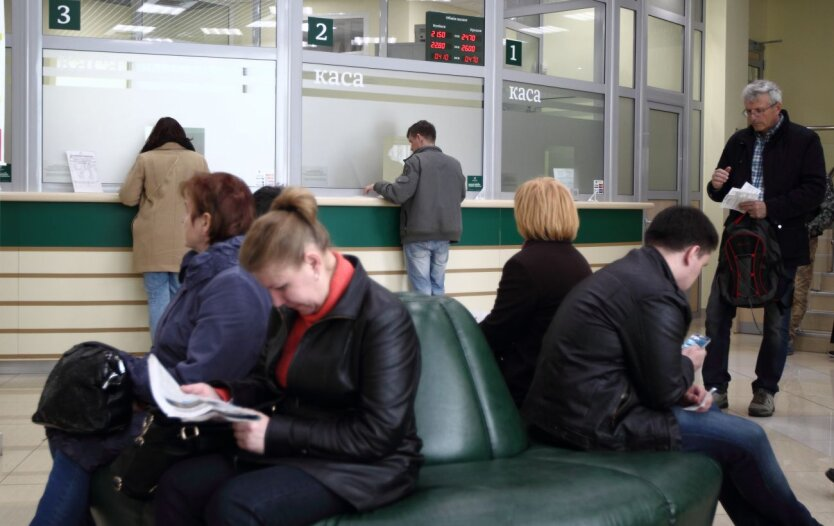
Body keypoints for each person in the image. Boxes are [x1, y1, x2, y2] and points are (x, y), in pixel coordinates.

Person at [523, 206, 821, 526]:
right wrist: (686, 363)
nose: (695, 279)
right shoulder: (657, 293)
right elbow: (662, 391)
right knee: (749, 438)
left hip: (572, 413)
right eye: (703, 265)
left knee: (721, 432)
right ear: (693, 253)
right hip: (595, 424)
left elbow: (634, 367)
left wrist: (681, 386)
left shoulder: (629, 272)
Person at [154, 186, 423, 526]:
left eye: (280, 287)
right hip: (300, 449)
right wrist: (222, 395)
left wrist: (276, 432)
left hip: (367, 467)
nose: (275, 302)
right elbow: (267, 382)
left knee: (235, 505)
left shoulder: (383, 319)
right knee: (178, 485)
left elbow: (379, 434)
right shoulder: (290, 311)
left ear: (312, 262)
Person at [31, 172, 272, 526]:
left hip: (187, 419)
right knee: (72, 411)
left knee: (78, 435)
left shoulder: (230, 284)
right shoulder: (209, 273)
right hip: (164, 399)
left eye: (185, 209)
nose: (179, 217)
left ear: (205, 222)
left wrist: (131, 374)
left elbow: (201, 379)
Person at [703, 79, 826, 417]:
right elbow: (720, 189)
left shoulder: (804, 140)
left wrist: (770, 207)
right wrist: (715, 186)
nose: (753, 116)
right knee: (716, 315)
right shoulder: (739, 140)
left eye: (759, 110)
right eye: (749, 111)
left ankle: (765, 391)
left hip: (782, 242)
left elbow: (815, 190)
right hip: (738, 240)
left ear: (777, 107)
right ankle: (716, 387)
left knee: (776, 323)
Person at [479, 178, 591, 407]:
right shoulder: (578, 261)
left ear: (526, 213)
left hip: (527, 386)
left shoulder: (524, 265)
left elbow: (498, 332)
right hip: (564, 382)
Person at [119, 117, 209, 342]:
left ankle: (161, 355)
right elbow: (209, 199)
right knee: (182, 298)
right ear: (181, 137)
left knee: (157, 297)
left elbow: (128, 198)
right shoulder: (198, 160)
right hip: (186, 239)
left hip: (152, 240)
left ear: (155, 137)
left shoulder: (145, 159)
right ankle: (181, 353)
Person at [363, 120, 465, 296]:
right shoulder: (454, 164)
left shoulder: (416, 161)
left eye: (411, 141)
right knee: (438, 286)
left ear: (419, 138)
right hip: (445, 236)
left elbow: (399, 194)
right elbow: (461, 195)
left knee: (422, 291)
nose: (410, 147)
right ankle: (438, 323)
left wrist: (378, 186)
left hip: (419, 235)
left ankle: (424, 324)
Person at [790, 168, 834, 354]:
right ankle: (777, 333)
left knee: (799, 286)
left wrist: (809, 229)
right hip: (780, 236)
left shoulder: (819, 178)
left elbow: (828, 210)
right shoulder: (785, 170)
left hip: (805, 237)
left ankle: (788, 335)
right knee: (778, 285)